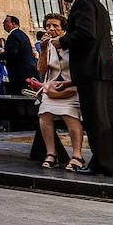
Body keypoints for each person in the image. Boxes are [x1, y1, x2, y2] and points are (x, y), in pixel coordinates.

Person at [56, 0, 113, 176]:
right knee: (107, 120)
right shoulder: (95, 4)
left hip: (92, 70)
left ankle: (103, 164)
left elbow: (85, 34)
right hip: (100, 70)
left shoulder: (83, 5)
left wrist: (62, 41)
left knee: (97, 120)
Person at [36, 12, 85, 171]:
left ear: (63, 28)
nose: (51, 29)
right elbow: (42, 71)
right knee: (44, 115)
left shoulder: (71, 42)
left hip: (71, 87)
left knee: (70, 116)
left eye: (55, 26)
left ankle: (77, 155)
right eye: (48, 25)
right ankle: (51, 153)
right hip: (53, 88)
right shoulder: (47, 45)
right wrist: (43, 50)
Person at [2, 15, 36, 95]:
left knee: (20, 96)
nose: (3, 23)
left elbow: (12, 53)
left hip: (19, 73)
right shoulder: (22, 34)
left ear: (13, 23)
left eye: (6, 21)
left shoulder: (13, 35)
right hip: (27, 71)